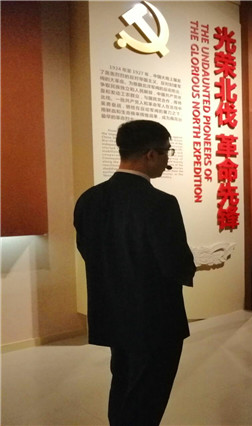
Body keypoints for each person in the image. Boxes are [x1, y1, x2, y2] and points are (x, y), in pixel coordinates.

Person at [74, 120, 196, 425]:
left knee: (124, 384)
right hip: (155, 318)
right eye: (167, 152)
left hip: (112, 311)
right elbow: (175, 263)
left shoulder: (89, 199)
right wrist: (191, 267)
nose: (168, 160)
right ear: (150, 154)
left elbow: (89, 252)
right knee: (149, 395)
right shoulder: (161, 203)